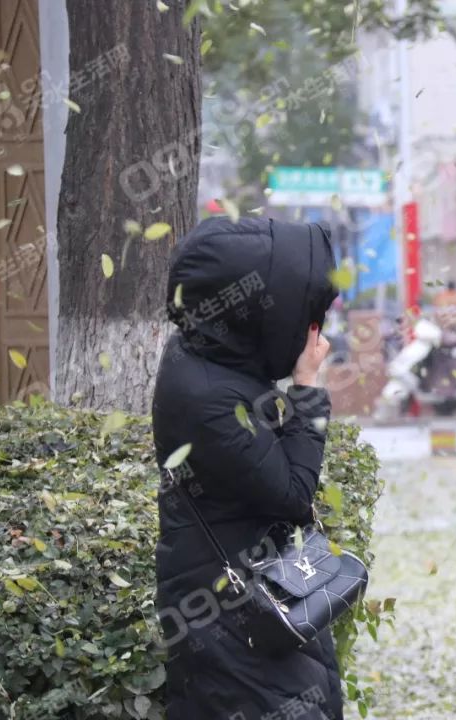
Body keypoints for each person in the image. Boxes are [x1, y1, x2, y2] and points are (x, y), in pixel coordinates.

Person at [152, 217, 343, 720]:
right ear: (246, 308)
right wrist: (305, 388)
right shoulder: (209, 397)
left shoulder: (210, 358)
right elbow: (294, 492)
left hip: (250, 598)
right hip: (231, 619)